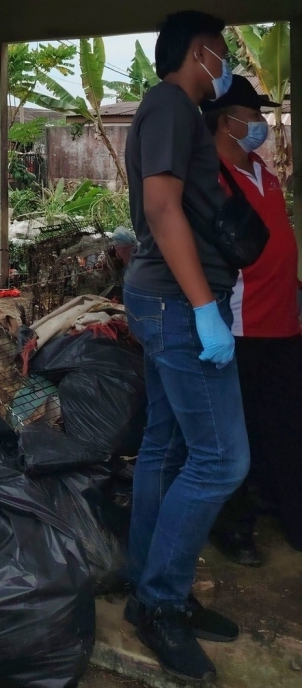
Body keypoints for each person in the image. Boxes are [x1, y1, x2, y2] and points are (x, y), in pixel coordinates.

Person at [122, 11, 248, 684]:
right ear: (200, 53)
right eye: (222, 57)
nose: (225, 69)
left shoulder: (168, 110)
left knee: (167, 448)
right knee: (222, 460)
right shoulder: (172, 104)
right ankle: (160, 603)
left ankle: (149, 586)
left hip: (162, 297)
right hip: (177, 301)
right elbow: (162, 206)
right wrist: (204, 309)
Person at [201, 75, 302, 565]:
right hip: (241, 326)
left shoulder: (264, 171)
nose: (261, 123)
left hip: (285, 321)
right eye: (253, 115)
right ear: (228, 122)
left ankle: (287, 511)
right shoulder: (211, 178)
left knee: (283, 423)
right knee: (232, 431)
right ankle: (234, 527)